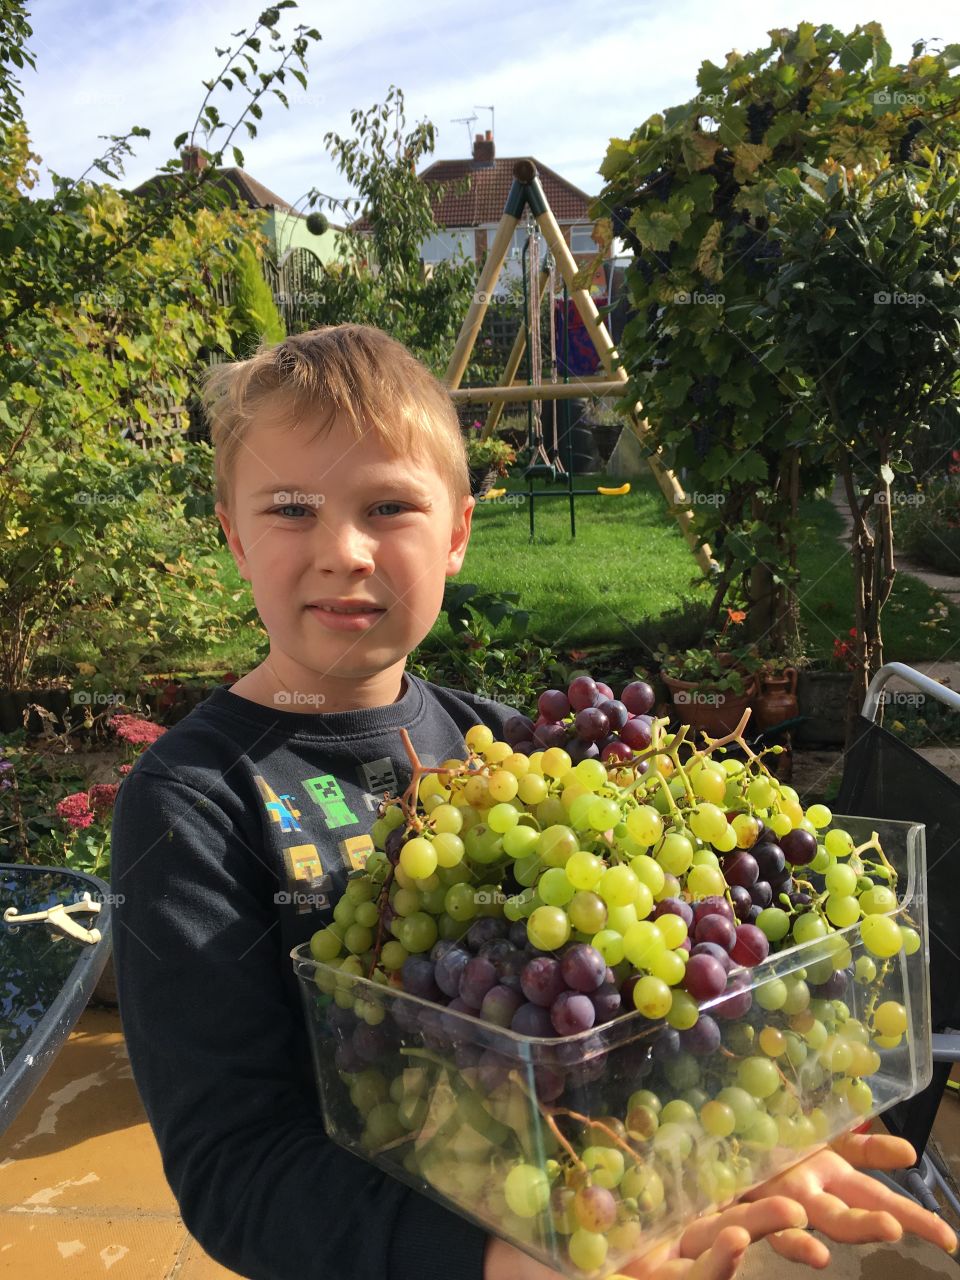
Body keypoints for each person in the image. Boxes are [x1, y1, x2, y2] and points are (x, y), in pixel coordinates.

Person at [110, 324, 957, 1280]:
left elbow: (646, 1013)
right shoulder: (192, 805)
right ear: (232, 536)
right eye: (291, 508)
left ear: (459, 534)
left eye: (388, 505)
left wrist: (735, 1135)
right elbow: (238, 1165)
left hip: (579, 1215)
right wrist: (493, 1263)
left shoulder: (516, 752)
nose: (343, 550)